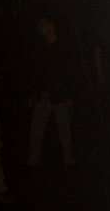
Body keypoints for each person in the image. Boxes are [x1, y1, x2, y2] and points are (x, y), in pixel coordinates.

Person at [27, 16, 76, 168]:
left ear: (51, 26)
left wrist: (69, 95)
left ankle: (68, 158)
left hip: (60, 95)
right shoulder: (41, 48)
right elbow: (37, 73)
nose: (42, 29)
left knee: (64, 130)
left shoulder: (62, 47)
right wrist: (34, 93)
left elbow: (68, 72)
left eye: (45, 25)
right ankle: (34, 159)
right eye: (41, 26)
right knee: (36, 129)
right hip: (44, 95)